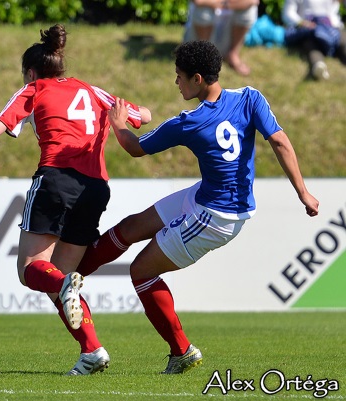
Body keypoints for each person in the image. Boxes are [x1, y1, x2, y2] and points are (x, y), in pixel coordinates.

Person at [0, 24, 151, 375]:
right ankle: (92, 351)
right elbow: (144, 115)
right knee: (61, 275)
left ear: (31, 71)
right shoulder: (92, 91)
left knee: (31, 270)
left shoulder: (34, 89)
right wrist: (128, 114)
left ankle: (73, 304)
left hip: (56, 180)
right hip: (96, 188)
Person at [75, 40, 319, 374]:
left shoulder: (189, 122)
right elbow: (279, 140)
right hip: (206, 195)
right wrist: (303, 192)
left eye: (180, 77)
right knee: (132, 226)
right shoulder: (250, 97)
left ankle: (182, 351)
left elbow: (134, 148)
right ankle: (70, 280)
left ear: (198, 79)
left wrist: (117, 122)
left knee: (141, 272)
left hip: (215, 217)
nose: (176, 83)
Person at [183, 0, 259, 75]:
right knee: (203, 10)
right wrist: (231, 3)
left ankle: (232, 55)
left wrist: (221, 4)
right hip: (197, 36)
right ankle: (203, 57)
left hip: (226, 32)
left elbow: (252, 1)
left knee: (249, 10)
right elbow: (199, 1)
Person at [282, 0, 346, 80]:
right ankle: (318, 65)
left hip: (333, 27)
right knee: (311, 45)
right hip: (309, 29)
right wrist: (302, 22)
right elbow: (287, 13)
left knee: (343, 41)